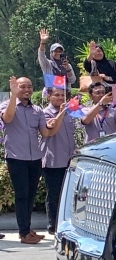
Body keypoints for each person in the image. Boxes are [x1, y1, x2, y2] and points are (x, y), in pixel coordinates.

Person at [1, 76, 67, 244]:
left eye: (29, 87)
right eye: (23, 87)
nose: (27, 90)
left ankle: (28, 229)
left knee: (30, 195)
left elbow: (46, 133)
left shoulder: (37, 110)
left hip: (35, 159)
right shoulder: (7, 105)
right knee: (22, 195)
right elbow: (7, 119)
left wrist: (60, 115)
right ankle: (23, 233)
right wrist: (13, 96)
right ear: (15, 88)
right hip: (17, 158)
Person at [39, 87, 76, 234]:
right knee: (54, 194)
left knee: (68, 194)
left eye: (63, 95)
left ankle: (66, 222)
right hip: (53, 159)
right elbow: (50, 128)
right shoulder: (45, 113)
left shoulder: (69, 113)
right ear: (49, 97)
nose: (61, 98)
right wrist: (61, 112)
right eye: (57, 95)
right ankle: (53, 225)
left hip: (69, 159)